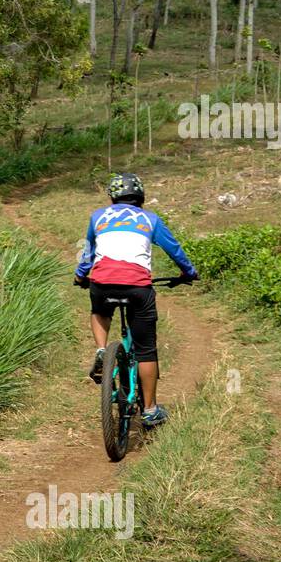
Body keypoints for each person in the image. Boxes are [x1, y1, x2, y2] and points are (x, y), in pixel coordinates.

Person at [74, 173, 198, 428]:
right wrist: (188, 272)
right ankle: (150, 410)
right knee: (145, 350)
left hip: (102, 282)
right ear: (140, 197)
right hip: (137, 287)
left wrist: (80, 275)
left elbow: (89, 250)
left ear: (112, 197)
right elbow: (174, 249)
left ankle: (101, 350)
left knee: (99, 310)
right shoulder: (150, 219)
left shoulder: (99, 217)